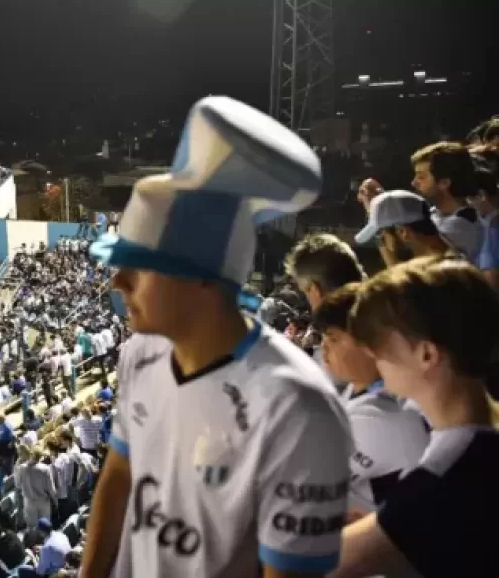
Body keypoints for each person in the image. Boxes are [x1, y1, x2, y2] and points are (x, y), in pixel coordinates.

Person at [81, 96, 352, 577]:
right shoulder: (140, 355)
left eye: (138, 269)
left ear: (203, 278)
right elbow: (119, 475)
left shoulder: (298, 407)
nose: (116, 285)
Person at [330, 257, 499, 578]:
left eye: (379, 341)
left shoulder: (447, 476)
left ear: (426, 354)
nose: (371, 353)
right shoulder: (480, 448)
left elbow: (320, 564)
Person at [311, 283, 429, 519]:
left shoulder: (382, 417)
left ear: (370, 345)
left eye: (333, 338)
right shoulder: (356, 390)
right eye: (323, 337)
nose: (323, 347)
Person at [355, 190, 454, 265]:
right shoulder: (449, 257)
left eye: (381, 237)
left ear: (403, 232)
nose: (383, 245)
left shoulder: (432, 278)